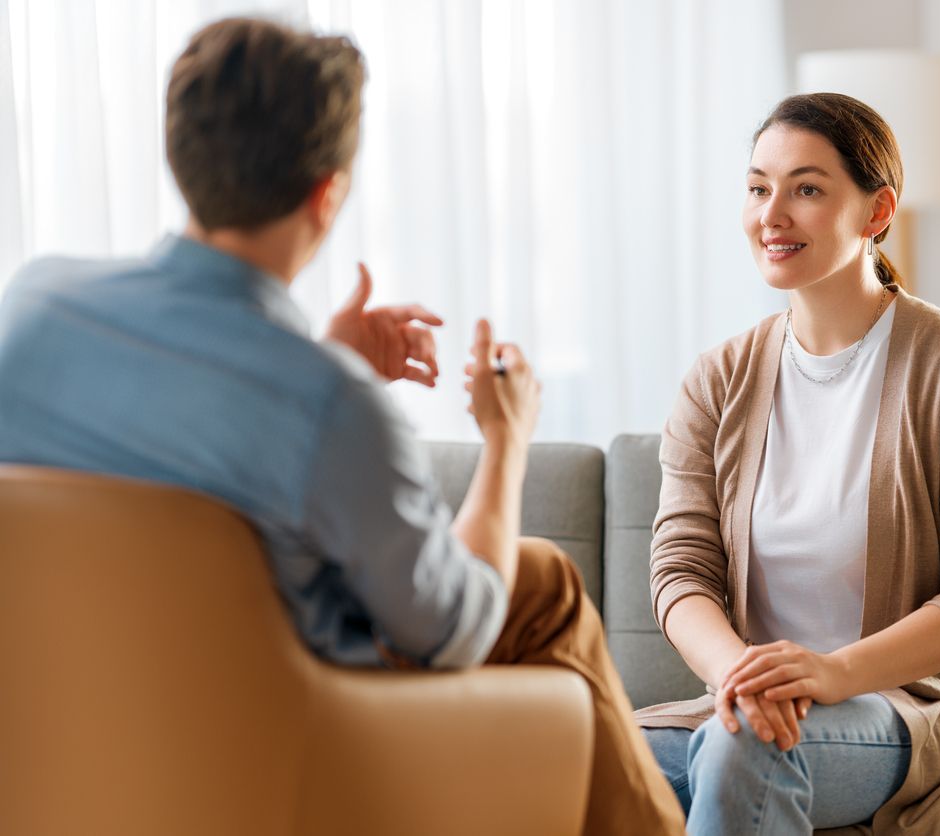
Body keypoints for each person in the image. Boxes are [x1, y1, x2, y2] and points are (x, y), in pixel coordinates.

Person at [0, 17, 684, 836]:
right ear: (328, 193)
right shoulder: (326, 403)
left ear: (181, 154)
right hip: (284, 743)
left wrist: (323, 359)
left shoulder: (34, 305)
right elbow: (454, 631)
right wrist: (505, 441)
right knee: (548, 593)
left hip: (77, 727)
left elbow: (185, 464)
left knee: (536, 575)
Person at [639, 92, 940, 834]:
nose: (771, 214)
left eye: (807, 189)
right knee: (576, 751)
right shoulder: (716, 380)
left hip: (907, 707)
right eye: (759, 188)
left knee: (740, 745)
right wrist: (738, 675)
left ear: (877, 212)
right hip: (745, 704)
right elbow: (681, 569)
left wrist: (832, 673)